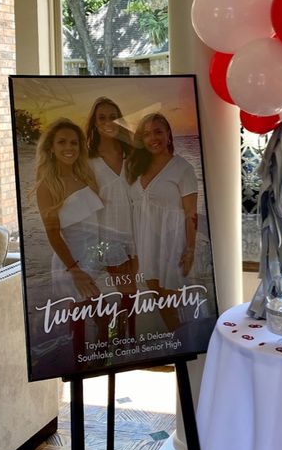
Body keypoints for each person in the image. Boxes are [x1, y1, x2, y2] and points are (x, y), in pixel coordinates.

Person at [35, 118, 103, 360]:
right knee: (80, 326)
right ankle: (80, 371)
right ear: (51, 147)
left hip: (95, 258)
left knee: (102, 320)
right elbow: (52, 234)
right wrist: (75, 270)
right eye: (62, 142)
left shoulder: (85, 176)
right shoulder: (47, 186)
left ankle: (101, 365)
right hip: (72, 263)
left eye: (74, 142)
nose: (69, 147)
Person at [126, 113, 198, 331]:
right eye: (146, 134)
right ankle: (177, 343)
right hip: (146, 244)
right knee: (159, 300)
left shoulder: (183, 169)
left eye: (158, 131)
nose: (153, 138)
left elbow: (190, 214)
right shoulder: (136, 168)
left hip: (172, 244)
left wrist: (190, 250)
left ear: (168, 135)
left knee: (172, 303)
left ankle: (183, 346)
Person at [85, 97, 138, 332]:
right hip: (104, 234)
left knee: (131, 292)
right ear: (95, 124)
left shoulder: (133, 155)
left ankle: (126, 340)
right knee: (123, 291)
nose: (108, 122)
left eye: (112, 117)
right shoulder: (87, 160)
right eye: (102, 117)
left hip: (134, 233)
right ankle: (115, 334)